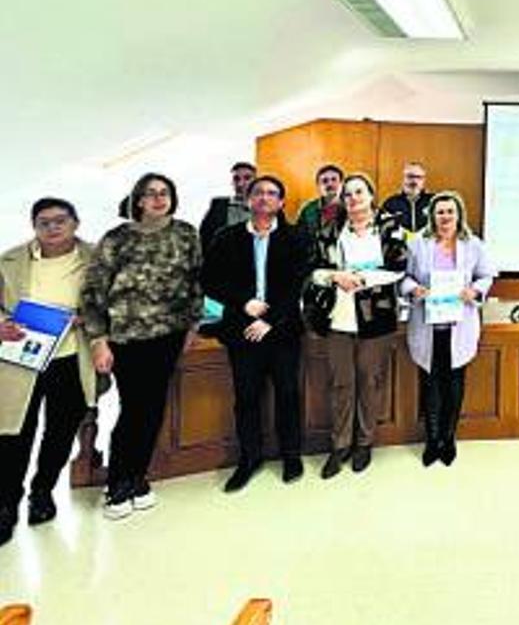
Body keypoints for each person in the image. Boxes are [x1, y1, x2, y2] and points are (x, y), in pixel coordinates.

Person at [81, 173, 203, 519]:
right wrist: (98, 340)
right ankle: (117, 482)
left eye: (164, 193)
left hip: (169, 335)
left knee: (152, 409)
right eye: (150, 194)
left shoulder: (185, 234)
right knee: (133, 408)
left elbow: (195, 281)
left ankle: (138, 478)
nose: (158, 199)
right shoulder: (117, 239)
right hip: (126, 338)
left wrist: (193, 325)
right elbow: (93, 293)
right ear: (138, 200)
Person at [202, 176, 310, 492]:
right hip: (242, 332)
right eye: (258, 193)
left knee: (288, 395)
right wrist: (243, 302)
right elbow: (209, 280)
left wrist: (271, 320)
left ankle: (291, 455)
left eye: (272, 193)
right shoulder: (226, 237)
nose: (264, 198)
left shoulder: (295, 238)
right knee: (246, 398)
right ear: (248, 200)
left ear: (281, 203)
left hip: (283, 331)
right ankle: (250, 458)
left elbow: (296, 284)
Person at [0, 199, 98, 546]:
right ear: (33, 227)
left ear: (75, 222)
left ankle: (42, 492)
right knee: (13, 434)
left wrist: (89, 319)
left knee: (60, 430)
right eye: (44, 222)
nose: (53, 228)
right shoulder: (10, 260)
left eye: (60, 221)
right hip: (21, 357)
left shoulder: (97, 257)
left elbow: (112, 302)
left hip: (72, 356)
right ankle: (6, 504)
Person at [308, 174, 407, 479]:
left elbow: (398, 267)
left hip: (376, 317)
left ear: (371, 196)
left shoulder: (391, 229)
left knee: (370, 381)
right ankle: (340, 445)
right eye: (348, 194)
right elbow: (313, 270)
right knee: (341, 383)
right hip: (338, 317)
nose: (353, 198)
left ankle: (364, 443)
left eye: (359, 192)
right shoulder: (329, 231)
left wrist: (363, 280)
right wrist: (334, 277)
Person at [402, 191, 497, 467]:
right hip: (427, 325)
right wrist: (413, 288)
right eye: (440, 211)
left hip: (459, 326)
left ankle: (449, 437)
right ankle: (432, 440)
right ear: (432, 215)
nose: (445, 217)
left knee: (454, 385)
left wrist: (474, 290)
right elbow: (404, 277)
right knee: (430, 383)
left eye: (450, 212)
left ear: (459, 215)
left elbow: (487, 276)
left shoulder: (473, 244)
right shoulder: (418, 243)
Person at [198, 162, 257, 250]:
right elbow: (204, 238)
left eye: (247, 178)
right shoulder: (218, 206)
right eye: (236, 179)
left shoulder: (266, 208)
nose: (240, 184)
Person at [382, 161, 433, 236]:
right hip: (399, 246)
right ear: (403, 178)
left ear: (424, 180)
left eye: (418, 177)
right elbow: (383, 229)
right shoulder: (390, 203)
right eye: (410, 176)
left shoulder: (433, 201)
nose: (414, 181)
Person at [296, 164, 345, 239]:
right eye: (325, 181)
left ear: (342, 184)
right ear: (318, 186)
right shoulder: (308, 211)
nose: (330, 184)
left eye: (334, 179)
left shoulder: (350, 207)